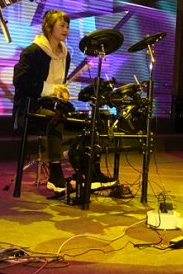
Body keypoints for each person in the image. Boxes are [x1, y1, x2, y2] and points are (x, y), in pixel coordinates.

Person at [12, 10, 116, 198]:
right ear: (48, 27)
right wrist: (52, 89)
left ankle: (90, 171)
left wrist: (62, 92)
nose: (66, 29)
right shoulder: (32, 51)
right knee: (56, 118)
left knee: (91, 121)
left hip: (53, 106)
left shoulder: (65, 55)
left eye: (67, 26)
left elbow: (59, 85)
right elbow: (20, 81)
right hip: (31, 108)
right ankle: (55, 174)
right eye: (62, 25)